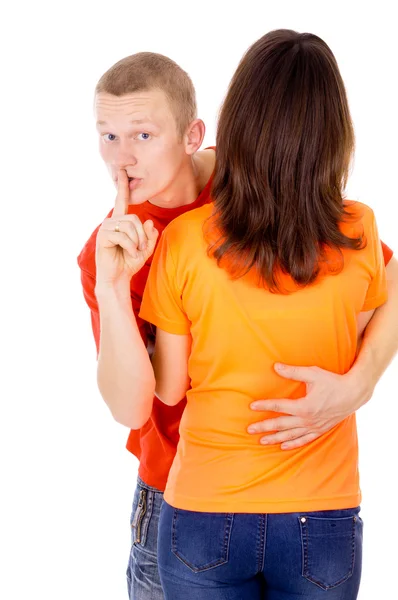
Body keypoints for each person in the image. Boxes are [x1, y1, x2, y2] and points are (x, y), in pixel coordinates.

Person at [79, 47, 398, 599]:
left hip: (292, 494)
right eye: (108, 136)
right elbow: (134, 407)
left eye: (142, 135)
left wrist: (359, 383)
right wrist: (111, 287)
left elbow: (379, 277)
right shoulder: (106, 253)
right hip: (176, 489)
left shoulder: (257, 176)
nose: (122, 159)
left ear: (192, 134)